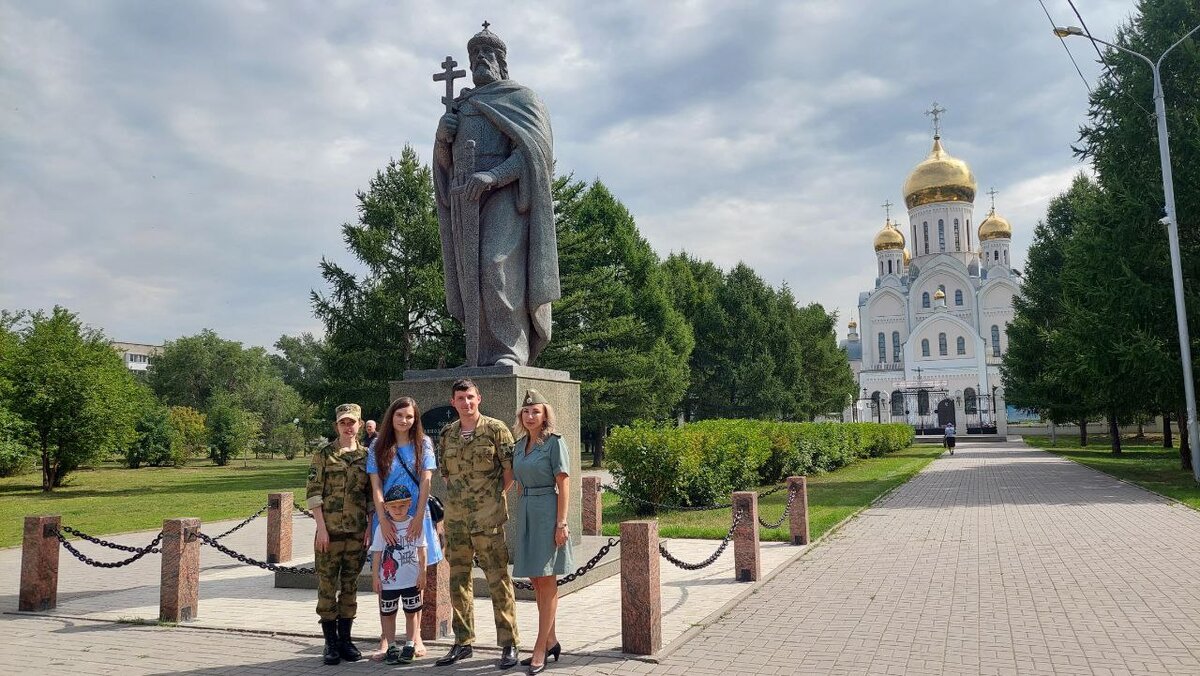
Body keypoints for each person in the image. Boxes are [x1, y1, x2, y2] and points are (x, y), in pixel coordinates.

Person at [433, 22, 559, 367]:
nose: (479, 61)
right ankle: (477, 355)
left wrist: (493, 175)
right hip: (466, 197)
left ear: (502, 62)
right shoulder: (460, 106)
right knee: (470, 275)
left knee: (495, 264)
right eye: (474, 55)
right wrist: (443, 138)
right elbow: (444, 165)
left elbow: (535, 152)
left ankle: (509, 350)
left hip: (506, 192)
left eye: (487, 54)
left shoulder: (521, 98)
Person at [434, 378, 520, 668]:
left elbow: (509, 474)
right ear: (453, 402)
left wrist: (488, 501)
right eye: (460, 398)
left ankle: (508, 644)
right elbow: (446, 476)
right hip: (457, 522)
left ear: (479, 398)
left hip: (488, 521)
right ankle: (463, 641)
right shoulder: (447, 434)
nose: (466, 403)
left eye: (470, 397)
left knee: (498, 581)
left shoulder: (497, 430)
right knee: (458, 582)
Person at [366, 396, 445, 660]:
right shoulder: (378, 445)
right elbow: (376, 485)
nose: (404, 420)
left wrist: (420, 514)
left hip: (415, 518)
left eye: (409, 416)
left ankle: (416, 637)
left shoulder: (423, 443)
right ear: (392, 417)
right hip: (387, 519)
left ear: (415, 419)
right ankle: (385, 639)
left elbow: (426, 481)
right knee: (387, 575)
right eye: (400, 415)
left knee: (414, 575)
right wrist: (383, 518)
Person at [511, 389, 573, 675]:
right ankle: (551, 640)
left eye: (535, 411)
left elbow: (564, 484)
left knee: (547, 581)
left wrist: (561, 523)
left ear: (545, 414)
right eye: (526, 411)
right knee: (536, 581)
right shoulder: (519, 445)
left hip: (547, 510)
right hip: (526, 510)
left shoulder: (554, 444)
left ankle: (539, 648)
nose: (530, 415)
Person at [306, 403, 371, 665]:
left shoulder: (367, 456)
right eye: (343, 422)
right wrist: (321, 528)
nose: (348, 426)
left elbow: (369, 496)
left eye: (352, 422)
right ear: (337, 426)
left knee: (350, 586)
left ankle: (346, 640)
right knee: (327, 586)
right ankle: (330, 643)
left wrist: (369, 527)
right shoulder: (323, 455)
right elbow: (313, 493)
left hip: (356, 533)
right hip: (329, 533)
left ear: (359, 425)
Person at [370, 484, 428, 665]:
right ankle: (392, 645)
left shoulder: (414, 525)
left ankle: (410, 644)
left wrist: (422, 573)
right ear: (385, 507)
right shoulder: (383, 528)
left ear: (409, 504)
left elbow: (422, 551)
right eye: (393, 506)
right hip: (389, 581)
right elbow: (377, 553)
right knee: (389, 614)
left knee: (412, 613)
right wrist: (375, 577)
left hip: (411, 579)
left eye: (402, 506)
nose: (398, 510)